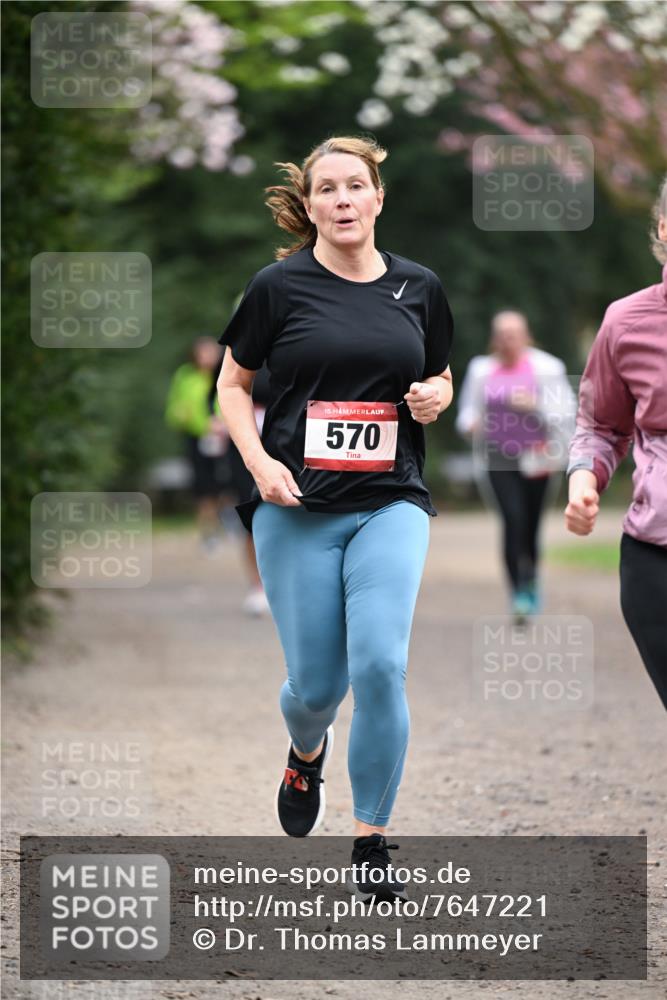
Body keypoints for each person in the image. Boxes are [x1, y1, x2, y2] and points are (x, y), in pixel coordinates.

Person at [216, 135, 454, 900]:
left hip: (391, 500)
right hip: (296, 508)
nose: (343, 200)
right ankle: (304, 748)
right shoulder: (277, 288)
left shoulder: (419, 287)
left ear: (379, 199)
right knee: (316, 686)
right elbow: (232, 384)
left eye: (356, 186)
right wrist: (259, 463)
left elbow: (439, 370)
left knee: (381, 664)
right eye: (328, 189)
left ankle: (371, 839)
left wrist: (437, 395)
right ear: (309, 205)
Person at [566, 175, 667, 711]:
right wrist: (584, 480)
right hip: (656, 554)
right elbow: (602, 424)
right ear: (664, 228)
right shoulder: (626, 322)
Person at [456, 312, 575, 621]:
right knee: (512, 519)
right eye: (502, 334)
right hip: (498, 457)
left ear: (527, 336)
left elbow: (566, 413)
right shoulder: (481, 369)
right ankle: (518, 593)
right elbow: (466, 413)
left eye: (514, 334)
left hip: (538, 456)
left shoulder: (548, 368)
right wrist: (472, 424)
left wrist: (534, 405)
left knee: (531, 524)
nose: (508, 340)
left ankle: (531, 579)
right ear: (494, 339)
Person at [165, 337, 230, 552]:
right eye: (203, 353)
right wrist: (184, 418)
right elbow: (176, 405)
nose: (207, 357)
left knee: (225, 484)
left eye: (211, 352)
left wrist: (223, 423)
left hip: (225, 437)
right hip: (196, 437)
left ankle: (225, 523)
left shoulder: (225, 373)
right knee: (203, 487)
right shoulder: (185, 375)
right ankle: (207, 532)